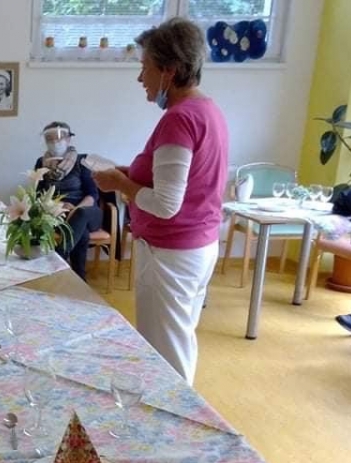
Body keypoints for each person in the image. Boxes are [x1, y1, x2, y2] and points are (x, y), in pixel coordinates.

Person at [93, 18, 228, 385]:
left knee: (165, 354)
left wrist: (121, 184)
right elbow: (183, 180)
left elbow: (167, 204)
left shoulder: (179, 119)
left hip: (171, 254)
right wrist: (128, 176)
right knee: (178, 341)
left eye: (145, 67)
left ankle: (174, 415)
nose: (141, 78)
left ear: (169, 70)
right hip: (197, 246)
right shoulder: (207, 110)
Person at [33, 121, 104, 281]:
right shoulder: (41, 163)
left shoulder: (82, 161)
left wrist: (75, 209)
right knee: (81, 233)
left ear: (68, 139)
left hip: (87, 211)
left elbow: (92, 194)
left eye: (59, 138)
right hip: (57, 213)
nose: (54, 142)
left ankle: (58, 258)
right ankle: (79, 278)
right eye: (49, 138)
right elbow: (38, 195)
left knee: (80, 215)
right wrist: (58, 206)